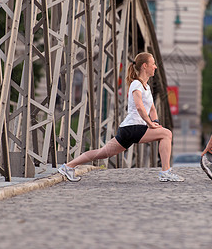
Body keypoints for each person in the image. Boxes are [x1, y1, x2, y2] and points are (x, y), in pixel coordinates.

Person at [58, 52, 184, 182]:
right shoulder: (136, 84)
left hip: (130, 129)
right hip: (133, 127)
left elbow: (152, 109)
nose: (155, 67)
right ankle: (165, 172)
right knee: (166, 134)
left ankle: (68, 166)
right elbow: (140, 107)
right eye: (153, 64)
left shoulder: (146, 87)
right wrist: (150, 124)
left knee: (103, 153)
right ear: (145, 66)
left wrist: (155, 122)